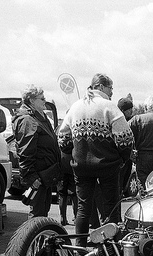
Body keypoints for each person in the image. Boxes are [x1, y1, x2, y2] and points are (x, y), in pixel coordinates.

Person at [57, 73, 134, 246]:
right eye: (110, 87)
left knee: (83, 209)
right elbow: (126, 139)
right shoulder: (109, 107)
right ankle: (112, 249)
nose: (112, 92)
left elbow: (62, 139)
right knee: (111, 208)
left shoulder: (75, 107)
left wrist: (75, 152)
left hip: (81, 167)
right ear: (100, 86)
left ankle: (80, 248)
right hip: (107, 166)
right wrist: (122, 158)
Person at [12, 85, 61, 218]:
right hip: (38, 177)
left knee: (42, 212)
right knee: (37, 215)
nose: (45, 101)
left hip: (45, 175)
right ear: (32, 100)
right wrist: (32, 177)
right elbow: (25, 151)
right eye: (42, 98)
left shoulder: (40, 117)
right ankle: (34, 238)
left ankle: (40, 237)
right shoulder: (27, 119)